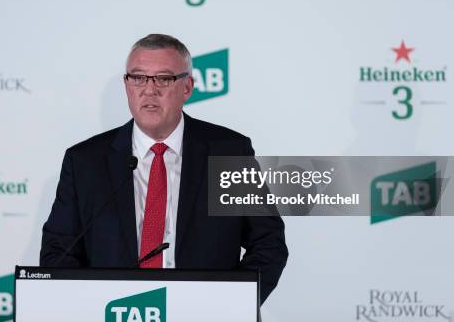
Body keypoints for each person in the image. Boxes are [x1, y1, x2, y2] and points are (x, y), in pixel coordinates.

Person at [40, 34, 288, 302]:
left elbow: (268, 244)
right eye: (138, 77)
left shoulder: (227, 152)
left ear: (187, 87)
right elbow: (58, 252)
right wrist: (89, 306)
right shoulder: (86, 162)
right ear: (126, 85)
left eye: (163, 78)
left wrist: (230, 305)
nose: (149, 89)